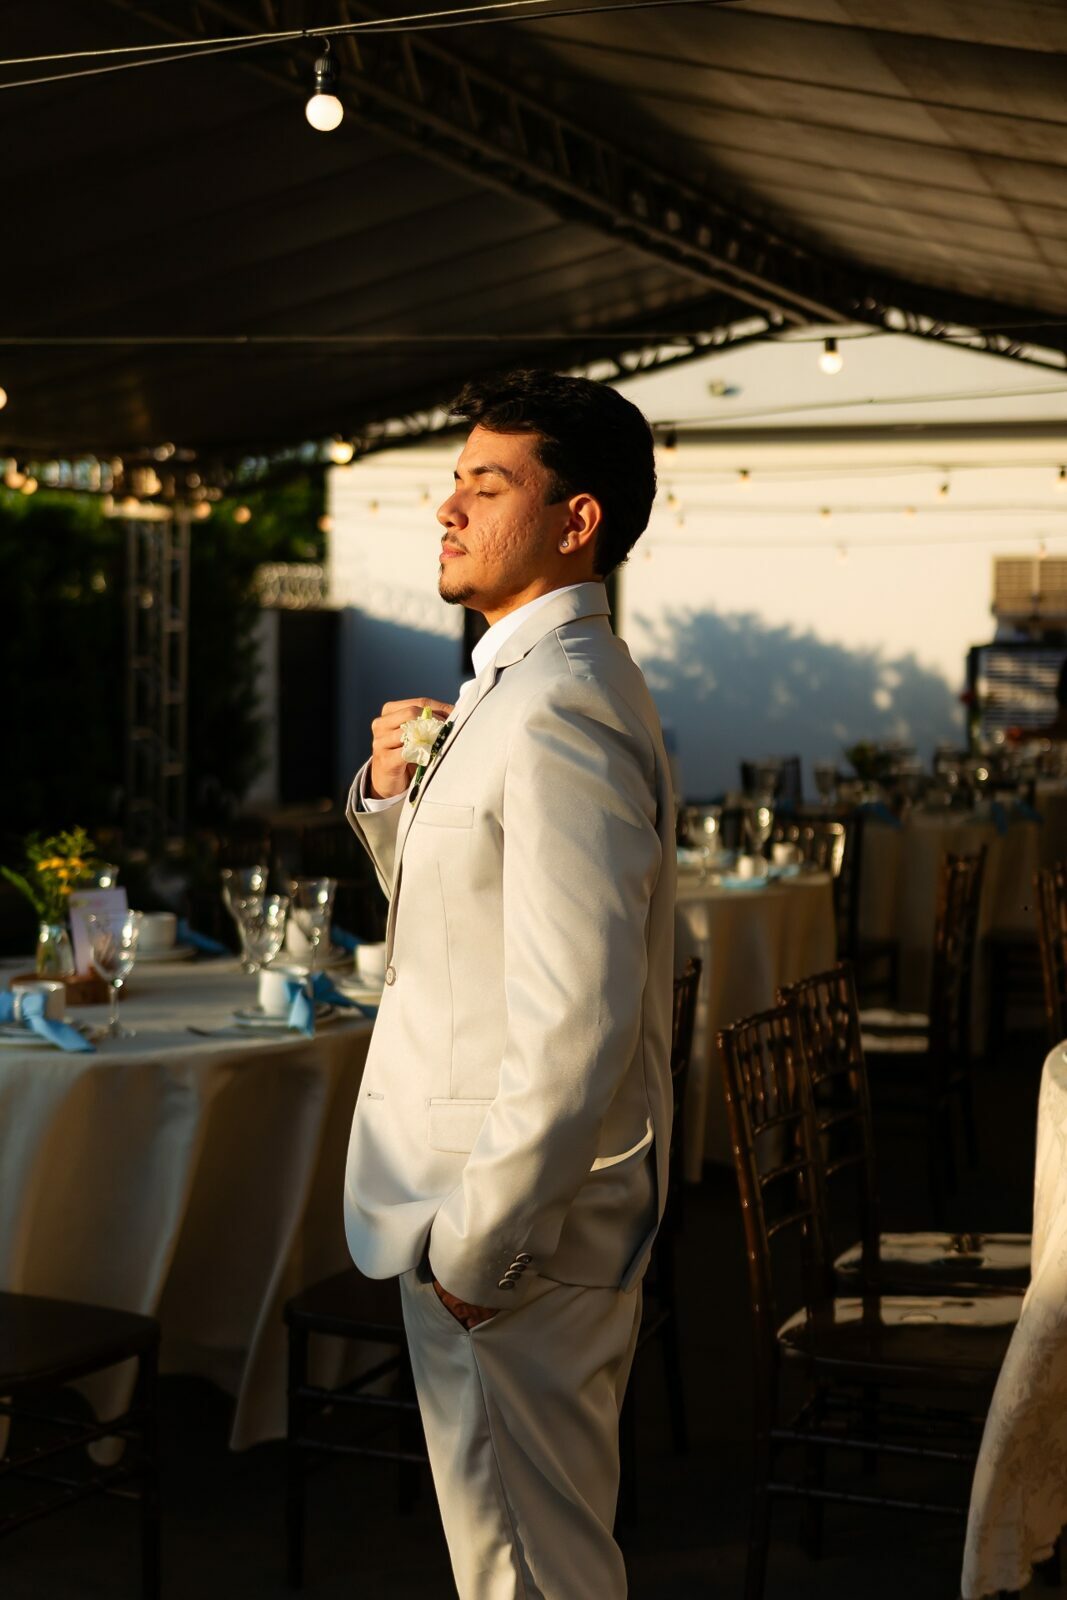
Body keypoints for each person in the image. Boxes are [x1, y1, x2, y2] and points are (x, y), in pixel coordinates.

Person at [344, 369, 675, 1599]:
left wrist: (478, 1250)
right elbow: (471, 922)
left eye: (485, 487)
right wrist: (394, 802)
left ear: (575, 520)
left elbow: (578, 1013)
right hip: (505, 1222)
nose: (447, 508)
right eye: (453, 483)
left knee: (528, 1573)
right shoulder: (534, 683)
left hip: (510, 1232)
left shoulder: (555, 704)